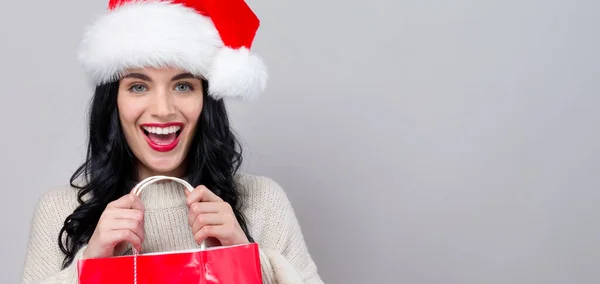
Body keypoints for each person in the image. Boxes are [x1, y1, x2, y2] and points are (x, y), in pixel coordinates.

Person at [20, 0, 323, 283]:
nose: (163, 110)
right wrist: (92, 264)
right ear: (113, 102)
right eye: (138, 86)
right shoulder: (60, 211)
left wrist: (244, 259)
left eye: (183, 85)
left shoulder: (263, 202)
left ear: (206, 99)